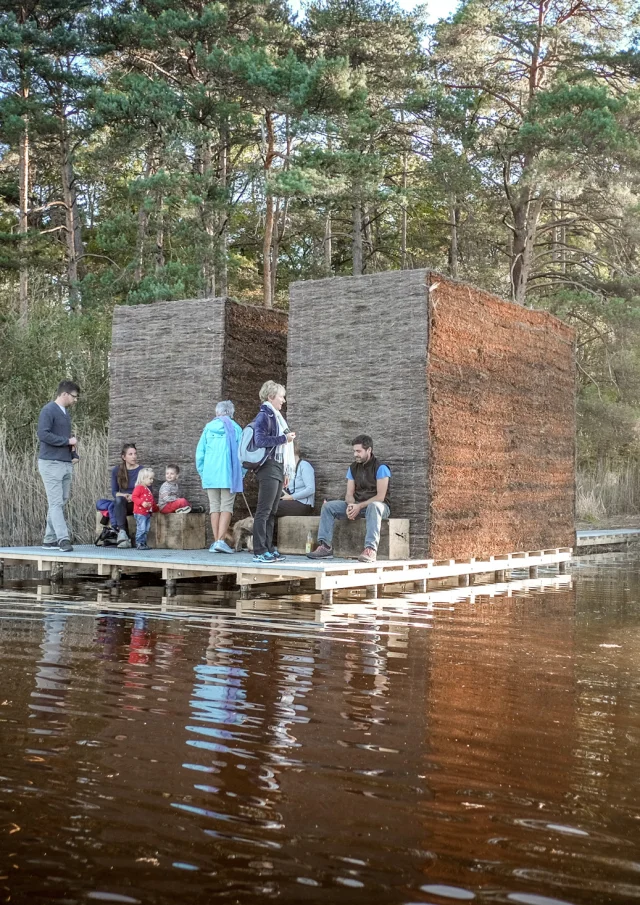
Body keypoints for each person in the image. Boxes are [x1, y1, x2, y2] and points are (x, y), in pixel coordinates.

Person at [307, 434, 391, 563]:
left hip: (379, 507)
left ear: (369, 450)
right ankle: (325, 547)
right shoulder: (352, 468)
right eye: (354, 451)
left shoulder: (381, 468)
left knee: (374, 506)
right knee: (328, 507)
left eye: (359, 451)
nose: (355, 454)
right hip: (357, 505)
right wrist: (351, 505)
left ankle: (370, 549)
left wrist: (359, 506)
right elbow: (349, 494)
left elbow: (380, 497)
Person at [251, 380, 296, 564]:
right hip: (268, 466)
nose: (283, 400)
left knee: (272, 511)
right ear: (271, 397)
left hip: (277, 466)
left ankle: (269, 548)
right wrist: (283, 438)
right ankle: (259, 551)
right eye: (281, 396)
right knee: (264, 510)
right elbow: (259, 440)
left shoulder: (277, 416)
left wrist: (285, 471)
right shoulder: (264, 415)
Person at [37, 380, 81, 552]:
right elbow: (43, 434)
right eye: (74, 396)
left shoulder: (65, 414)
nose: (75, 400)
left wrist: (73, 454)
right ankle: (63, 539)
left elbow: (67, 439)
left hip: (64, 462)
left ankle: (49, 539)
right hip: (50, 463)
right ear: (64, 394)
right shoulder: (48, 410)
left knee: (60, 501)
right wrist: (66, 441)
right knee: (55, 503)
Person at [196, 400, 243, 555]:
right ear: (231, 413)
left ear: (217, 413)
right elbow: (242, 455)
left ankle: (217, 541)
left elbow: (200, 454)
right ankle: (220, 541)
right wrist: (240, 474)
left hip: (211, 474)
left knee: (214, 507)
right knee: (226, 507)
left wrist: (204, 473)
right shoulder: (236, 429)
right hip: (229, 475)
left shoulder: (208, 428)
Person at [111, 443, 142, 548]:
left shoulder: (141, 471)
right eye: (130, 454)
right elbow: (114, 492)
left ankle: (127, 537)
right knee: (118, 500)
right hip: (124, 502)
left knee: (119, 502)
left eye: (135, 454)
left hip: (138, 503)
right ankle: (123, 532)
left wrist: (133, 496)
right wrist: (126, 496)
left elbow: (147, 491)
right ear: (124, 457)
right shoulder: (117, 470)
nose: (134, 456)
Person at [276, 440, 315, 516]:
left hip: (303, 504)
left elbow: (311, 489)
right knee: (268, 503)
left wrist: (292, 497)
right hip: (291, 501)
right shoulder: (288, 467)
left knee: (272, 507)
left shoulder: (305, 466)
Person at [131, 468, 158, 549]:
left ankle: (143, 543)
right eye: (150, 478)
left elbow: (152, 501)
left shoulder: (148, 490)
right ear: (143, 478)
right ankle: (139, 543)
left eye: (152, 478)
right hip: (140, 513)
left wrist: (156, 508)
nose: (152, 480)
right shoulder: (139, 488)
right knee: (141, 529)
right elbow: (134, 497)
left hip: (147, 513)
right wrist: (142, 503)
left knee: (146, 529)